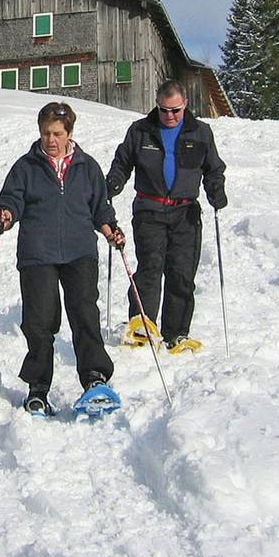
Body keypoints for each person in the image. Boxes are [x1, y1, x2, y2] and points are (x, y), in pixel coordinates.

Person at [0, 101, 124, 416]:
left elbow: (100, 209)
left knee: (84, 314)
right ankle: (38, 389)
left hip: (80, 251)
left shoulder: (87, 166)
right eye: (46, 133)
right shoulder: (25, 167)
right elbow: (11, 198)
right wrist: (5, 213)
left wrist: (110, 230)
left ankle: (95, 378)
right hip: (37, 253)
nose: (51, 140)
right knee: (39, 321)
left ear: (69, 133)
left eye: (57, 133)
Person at [105, 79, 227, 353]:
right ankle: (142, 326)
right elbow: (122, 163)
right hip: (150, 209)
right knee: (150, 267)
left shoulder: (200, 132)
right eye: (164, 110)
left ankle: (177, 333)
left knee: (182, 272)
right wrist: (113, 182)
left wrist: (216, 188)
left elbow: (214, 168)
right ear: (157, 107)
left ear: (185, 105)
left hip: (186, 212)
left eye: (175, 110)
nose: (170, 116)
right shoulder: (141, 131)